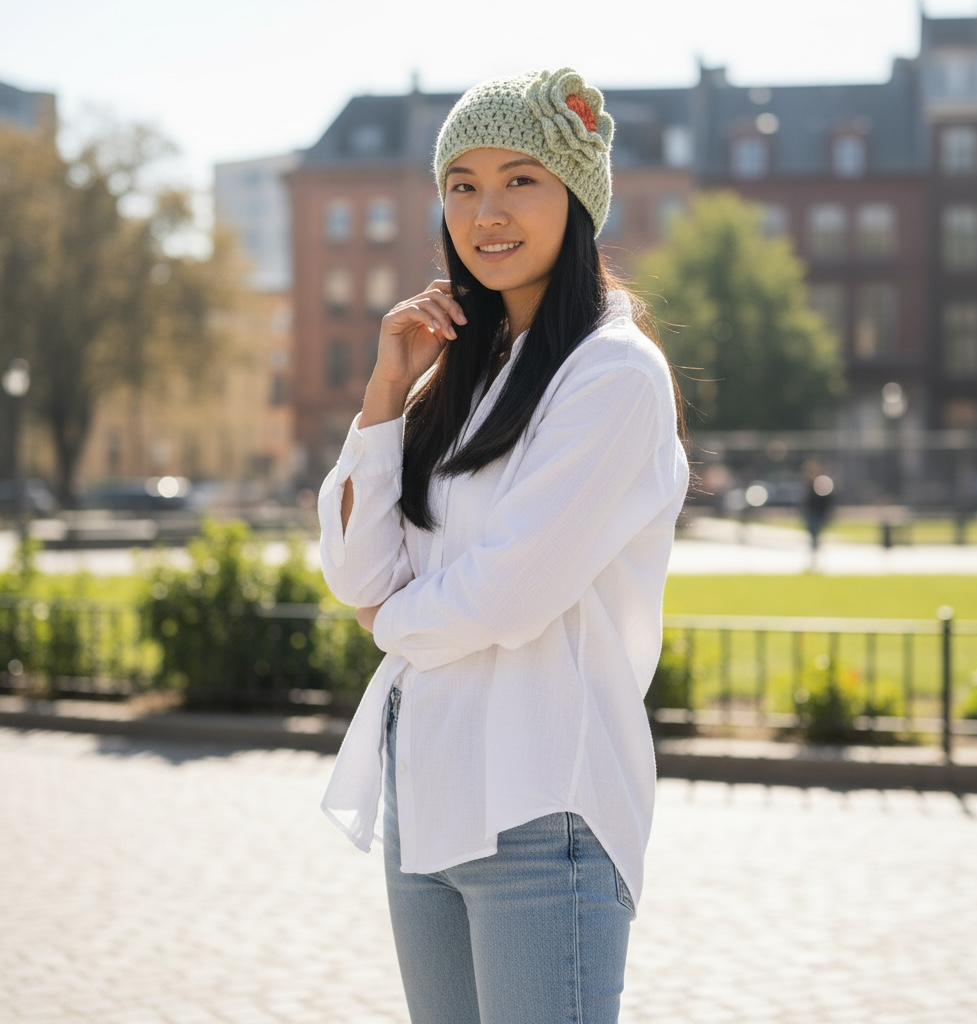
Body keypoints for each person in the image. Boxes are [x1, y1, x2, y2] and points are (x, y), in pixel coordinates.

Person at [317, 67, 689, 1024]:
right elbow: (356, 568)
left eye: (520, 179)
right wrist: (384, 395)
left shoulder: (613, 373)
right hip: (428, 792)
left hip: (542, 805)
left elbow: (508, 594)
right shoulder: (464, 373)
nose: (488, 211)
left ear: (578, 196)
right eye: (462, 184)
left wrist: (389, 622)